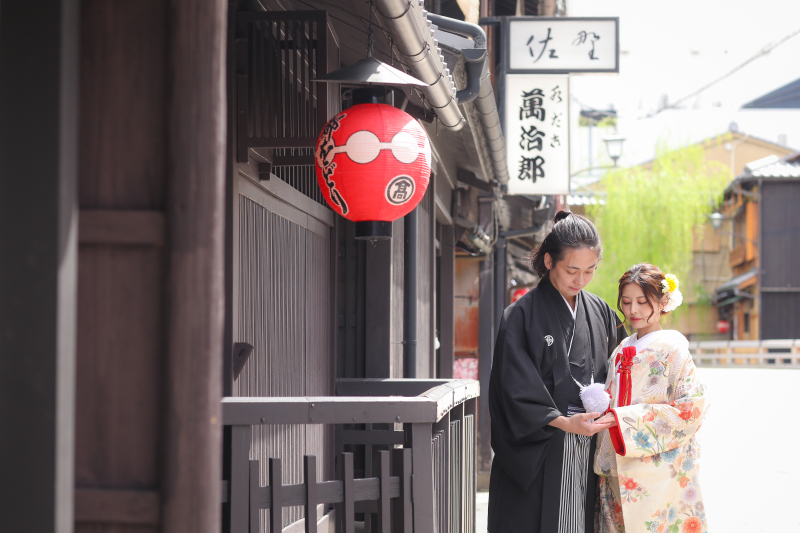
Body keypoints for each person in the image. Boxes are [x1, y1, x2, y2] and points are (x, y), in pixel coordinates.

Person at [488, 210, 627, 533]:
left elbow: (622, 369)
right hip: (543, 444)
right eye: (572, 270)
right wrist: (565, 422)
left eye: (590, 271)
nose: (580, 280)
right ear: (549, 261)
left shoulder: (600, 311)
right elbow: (513, 387)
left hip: (591, 442)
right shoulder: (521, 315)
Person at [593, 264, 709, 533]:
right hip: (615, 461)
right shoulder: (622, 348)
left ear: (662, 301)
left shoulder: (673, 348)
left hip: (658, 467)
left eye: (642, 302)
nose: (633, 310)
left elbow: (691, 409)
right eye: (626, 301)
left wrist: (624, 419)